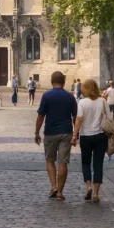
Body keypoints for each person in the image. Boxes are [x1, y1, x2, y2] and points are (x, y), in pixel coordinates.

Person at [35, 71, 77, 200]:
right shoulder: (70, 97)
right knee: (63, 162)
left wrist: (36, 132)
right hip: (66, 132)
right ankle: (60, 192)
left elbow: (41, 115)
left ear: (52, 81)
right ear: (63, 82)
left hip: (51, 132)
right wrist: (76, 134)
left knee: (50, 160)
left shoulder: (47, 96)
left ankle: (53, 185)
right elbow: (75, 117)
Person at [72, 78, 109, 202]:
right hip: (100, 136)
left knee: (85, 162)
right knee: (98, 164)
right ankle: (96, 194)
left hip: (86, 136)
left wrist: (74, 135)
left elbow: (79, 119)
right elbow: (109, 118)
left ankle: (88, 186)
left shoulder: (82, 102)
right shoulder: (103, 101)